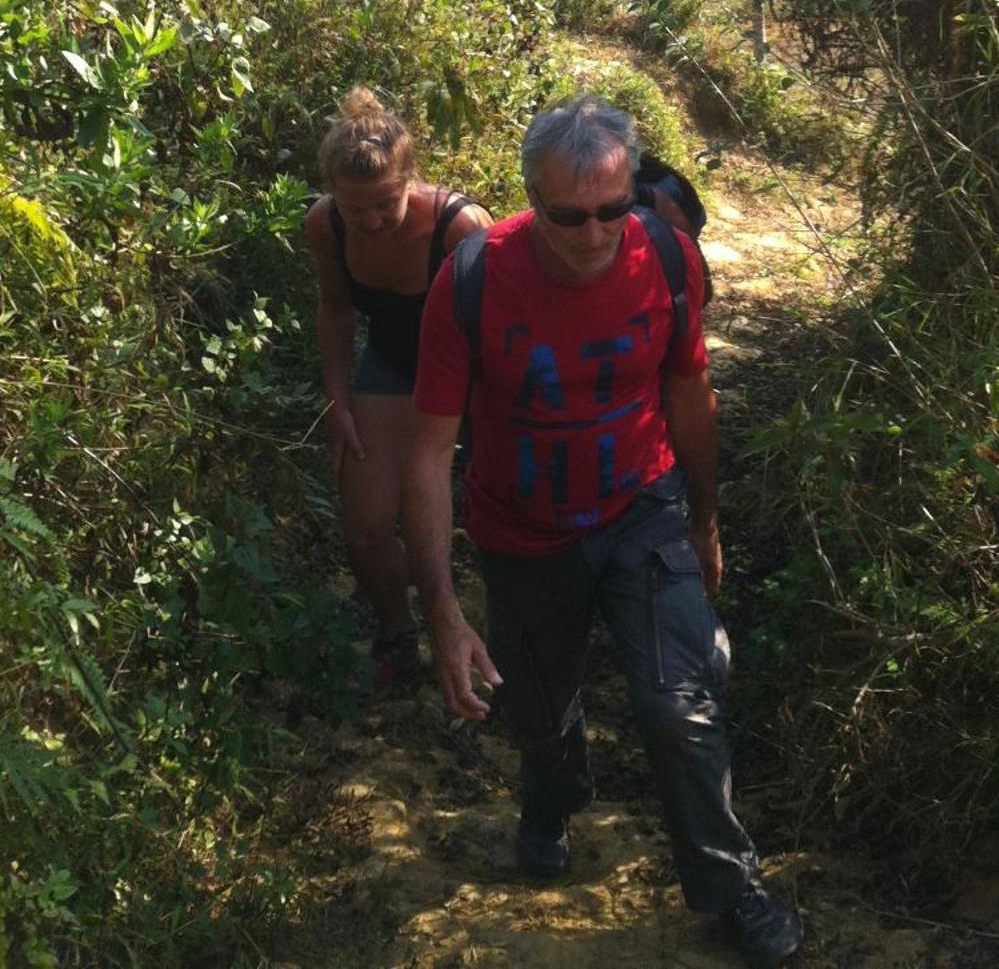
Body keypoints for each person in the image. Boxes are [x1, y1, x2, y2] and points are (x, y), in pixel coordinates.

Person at [405, 95, 801, 967]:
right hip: (521, 533)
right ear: (528, 198)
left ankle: (731, 887)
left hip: (640, 508)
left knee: (678, 707)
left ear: (634, 194)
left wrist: (704, 521)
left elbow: (690, 390)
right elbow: (429, 452)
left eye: (611, 211)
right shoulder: (472, 279)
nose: (591, 234)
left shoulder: (665, 257)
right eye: (567, 215)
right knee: (539, 713)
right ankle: (553, 793)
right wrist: (442, 609)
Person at [304, 86, 490, 688]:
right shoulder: (326, 226)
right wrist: (339, 401)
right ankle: (398, 634)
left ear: (412, 178)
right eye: (356, 209)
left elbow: (503, 325)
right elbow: (335, 310)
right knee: (366, 521)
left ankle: (501, 627)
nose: (372, 221)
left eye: (385, 203)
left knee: (498, 508)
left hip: (473, 373)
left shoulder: (461, 228)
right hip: (391, 367)